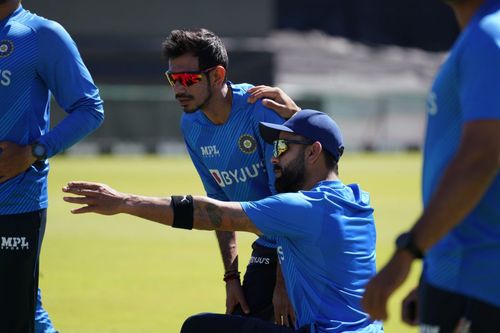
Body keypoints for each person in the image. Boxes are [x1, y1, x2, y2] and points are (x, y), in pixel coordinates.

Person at [63, 109, 383, 333]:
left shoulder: (301, 208)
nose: (273, 156)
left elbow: (211, 212)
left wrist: (124, 202)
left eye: (283, 146)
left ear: (313, 152)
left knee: (198, 327)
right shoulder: (357, 202)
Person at [361, 0, 500, 331]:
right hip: (457, 272)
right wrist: (432, 267)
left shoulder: (487, 37)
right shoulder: (480, 35)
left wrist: (409, 251)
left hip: (477, 280)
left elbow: (481, 156)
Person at [162, 28, 300, 323]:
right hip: (268, 242)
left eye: (188, 79)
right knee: (240, 318)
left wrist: (284, 283)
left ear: (218, 75)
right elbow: (218, 206)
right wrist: (231, 278)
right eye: (173, 79)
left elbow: (290, 201)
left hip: (303, 243)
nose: (178, 89)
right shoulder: (191, 126)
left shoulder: (260, 111)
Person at [0, 1, 105, 332]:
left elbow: (89, 108)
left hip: (13, 204)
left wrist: (35, 150)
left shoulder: (41, 34)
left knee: (14, 319)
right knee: (30, 313)